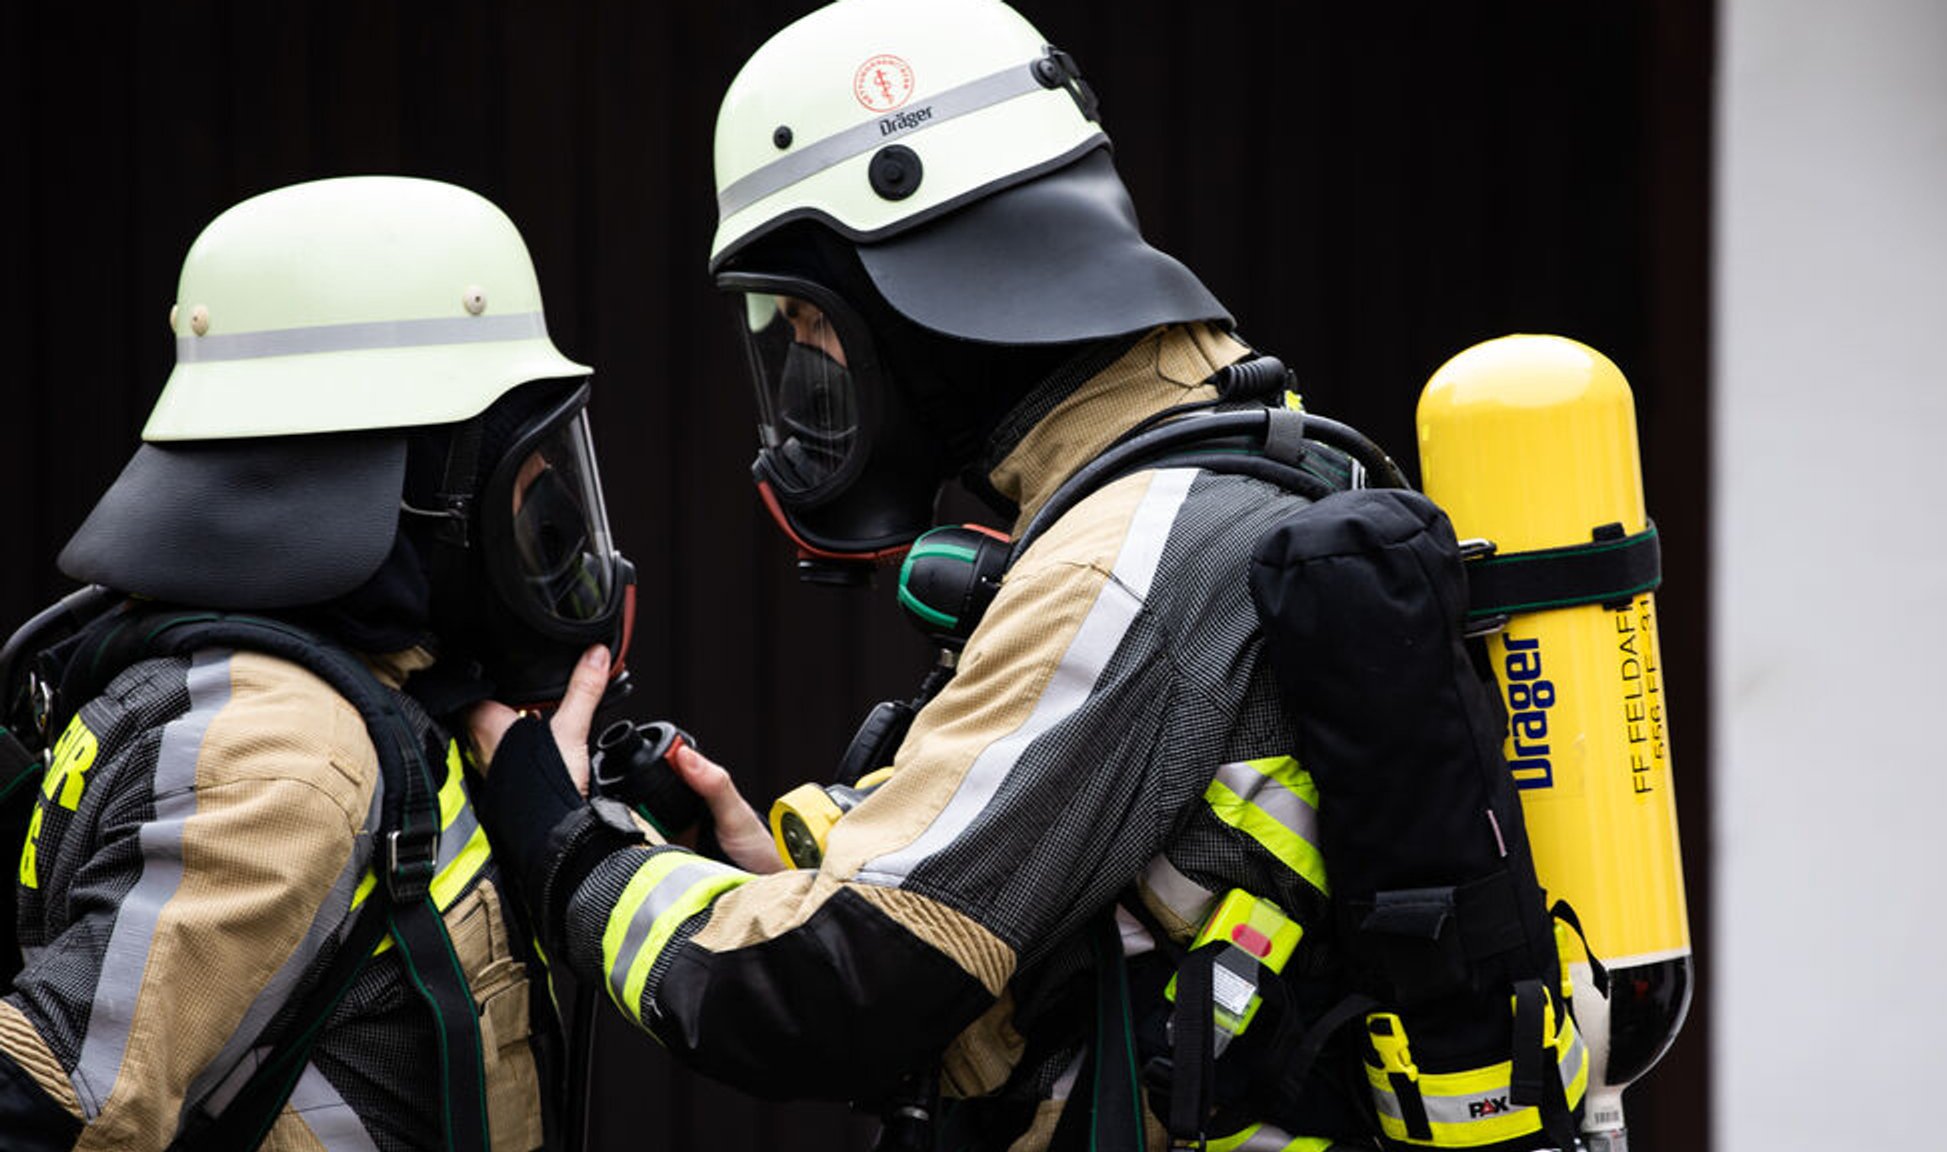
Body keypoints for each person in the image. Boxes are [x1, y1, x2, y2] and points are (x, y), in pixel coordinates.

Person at [467, 0, 1388, 1148]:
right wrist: (764, 869)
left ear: (927, 279)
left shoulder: (1126, 564)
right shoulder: (1254, 458)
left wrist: (562, 842)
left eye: (805, 318)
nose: (802, 364)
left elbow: (825, 992)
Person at [0, 174, 636, 1151]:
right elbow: (49, 1106)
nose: (543, 527)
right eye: (522, 480)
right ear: (405, 479)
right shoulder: (289, 751)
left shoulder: (363, 693)